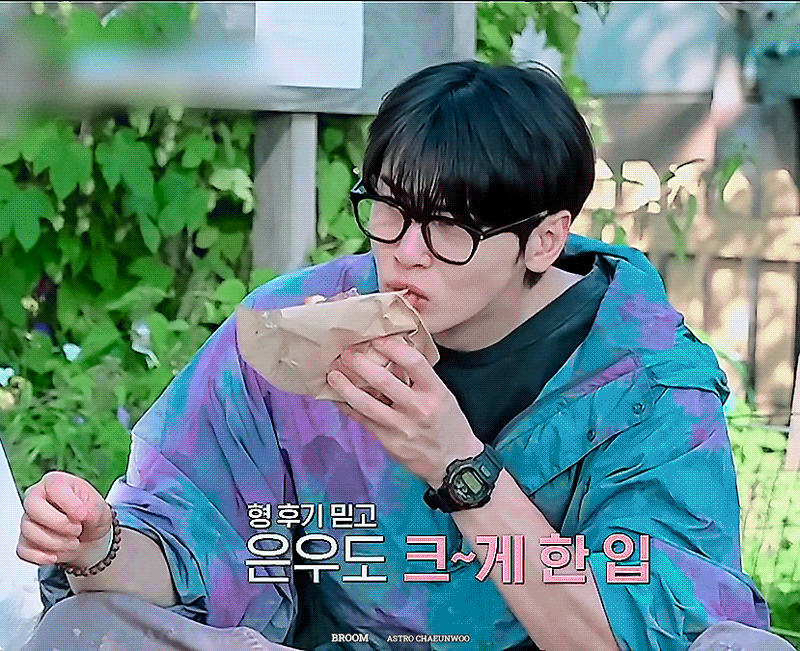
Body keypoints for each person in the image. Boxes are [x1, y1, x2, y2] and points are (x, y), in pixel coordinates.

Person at [16, 60, 788, 651]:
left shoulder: (648, 382)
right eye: (390, 209)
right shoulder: (296, 329)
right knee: (89, 626)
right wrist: (99, 546)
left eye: (450, 226)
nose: (406, 253)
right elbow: (195, 548)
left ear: (545, 239)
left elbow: (633, 634)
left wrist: (457, 464)